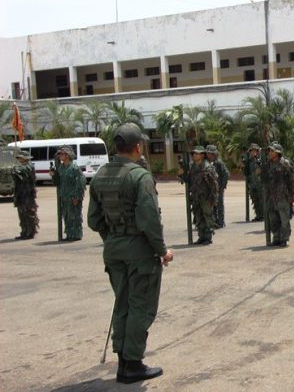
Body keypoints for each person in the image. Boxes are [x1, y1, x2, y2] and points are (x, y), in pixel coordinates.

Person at [87, 123, 173, 384]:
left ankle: (123, 361)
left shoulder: (100, 175)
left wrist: (114, 238)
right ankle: (132, 364)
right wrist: (162, 251)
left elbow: (94, 219)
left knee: (122, 303)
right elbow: (149, 220)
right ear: (138, 146)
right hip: (139, 252)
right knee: (140, 306)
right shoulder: (139, 176)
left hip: (114, 250)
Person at [179, 146, 218, 245]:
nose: (195, 155)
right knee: (198, 216)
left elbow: (213, 183)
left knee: (207, 216)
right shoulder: (192, 166)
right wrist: (182, 174)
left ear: (202, 155)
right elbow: (188, 180)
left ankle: (208, 237)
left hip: (206, 196)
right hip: (196, 196)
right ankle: (201, 236)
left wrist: (213, 197)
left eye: (197, 154)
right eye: (194, 154)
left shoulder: (207, 167)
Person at [259, 144, 294, 246]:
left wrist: (291, 196)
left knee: (284, 219)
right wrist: (260, 172)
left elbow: (291, 181)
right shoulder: (268, 164)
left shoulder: (285, 164)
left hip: (282, 195)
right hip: (271, 196)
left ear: (278, 153)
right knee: (273, 219)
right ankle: (276, 237)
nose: (270, 153)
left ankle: (284, 238)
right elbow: (264, 180)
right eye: (269, 151)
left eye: (272, 151)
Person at [51, 145, 86, 241]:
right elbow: (57, 182)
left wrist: (77, 196)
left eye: (62, 154)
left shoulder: (74, 168)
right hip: (64, 196)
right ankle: (69, 234)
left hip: (72, 196)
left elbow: (81, 182)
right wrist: (53, 175)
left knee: (74, 216)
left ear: (67, 155)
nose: (60, 156)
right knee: (66, 216)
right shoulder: (61, 168)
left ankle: (76, 235)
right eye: (59, 154)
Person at [12, 150, 38, 240]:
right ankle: (24, 231)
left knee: (28, 214)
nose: (19, 159)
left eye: (21, 157)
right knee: (22, 214)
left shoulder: (29, 166)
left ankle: (30, 232)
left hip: (28, 195)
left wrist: (16, 169)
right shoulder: (20, 167)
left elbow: (24, 170)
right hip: (20, 194)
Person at [205, 145, 229, 229]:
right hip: (209, 189)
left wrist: (222, 186)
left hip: (218, 188)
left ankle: (221, 222)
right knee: (212, 205)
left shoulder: (218, 163)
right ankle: (214, 221)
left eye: (211, 153)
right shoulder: (206, 163)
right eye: (208, 153)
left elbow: (226, 174)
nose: (209, 155)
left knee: (219, 206)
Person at [243, 144, 264, 221]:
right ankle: (258, 215)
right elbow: (246, 173)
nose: (253, 152)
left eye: (255, 151)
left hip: (260, 184)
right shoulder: (248, 161)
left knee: (261, 200)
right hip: (252, 184)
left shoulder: (261, 160)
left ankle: (263, 216)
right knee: (255, 201)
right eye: (252, 151)